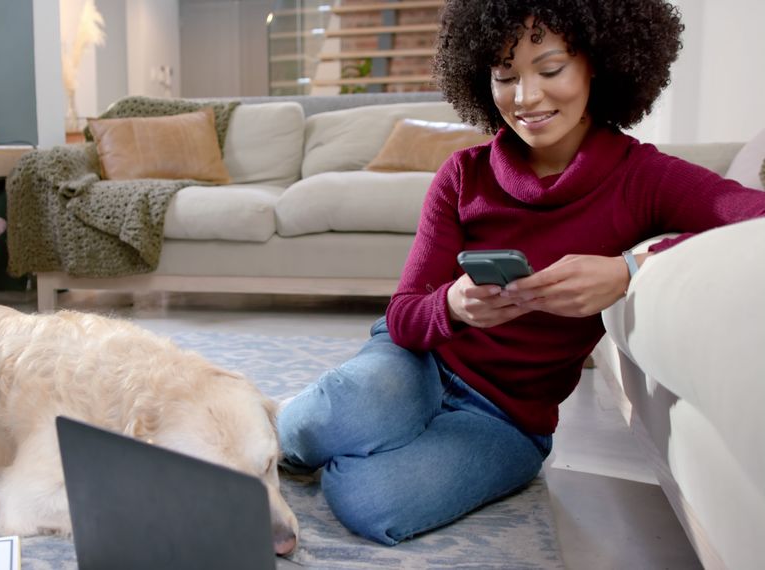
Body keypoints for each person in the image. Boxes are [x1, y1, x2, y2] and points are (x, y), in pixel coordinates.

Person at [277, 0, 765, 546]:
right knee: (302, 430)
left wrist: (630, 269)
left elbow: (754, 215)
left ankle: (374, 435)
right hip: (420, 363)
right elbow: (405, 316)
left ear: (598, 65)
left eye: (551, 69)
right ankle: (355, 425)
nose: (526, 98)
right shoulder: (463, 175)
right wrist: (452, 306)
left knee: (374, 504)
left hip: (507, 419)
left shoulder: (643, 178)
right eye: (505, 76)